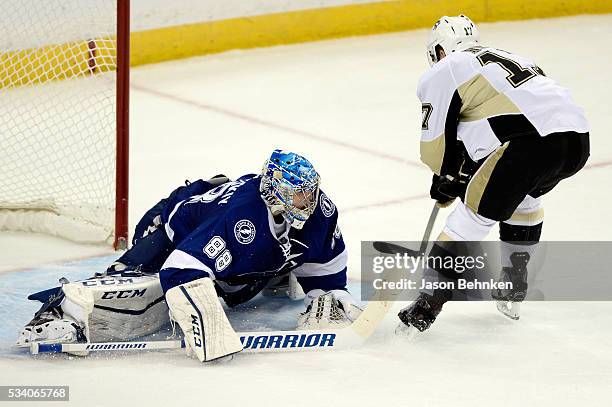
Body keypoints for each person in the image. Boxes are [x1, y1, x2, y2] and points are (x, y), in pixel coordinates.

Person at [17, 150, 362, 362]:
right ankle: (60, 313)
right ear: (274, 192)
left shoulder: (320, 211)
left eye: (310, 192)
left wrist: (331, 294)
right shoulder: (241, 220)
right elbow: (181, 268)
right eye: (298, 195)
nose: (309, 201)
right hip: (169, 228)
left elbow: (327, 264)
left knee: (256, 267)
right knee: (141, 289)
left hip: (235, 241)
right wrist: (206, 321)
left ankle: (269, 275)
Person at [397, 15, 590, 331]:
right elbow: (505, 119)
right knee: (523, 199)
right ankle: (514, 285)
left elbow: (433, 146)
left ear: (440, 51)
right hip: (577, 140)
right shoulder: (510, 58)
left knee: (470, 217)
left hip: (529, 145)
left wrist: (445, 176)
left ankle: (425, 307)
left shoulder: (446, 69)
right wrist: (456, 176)